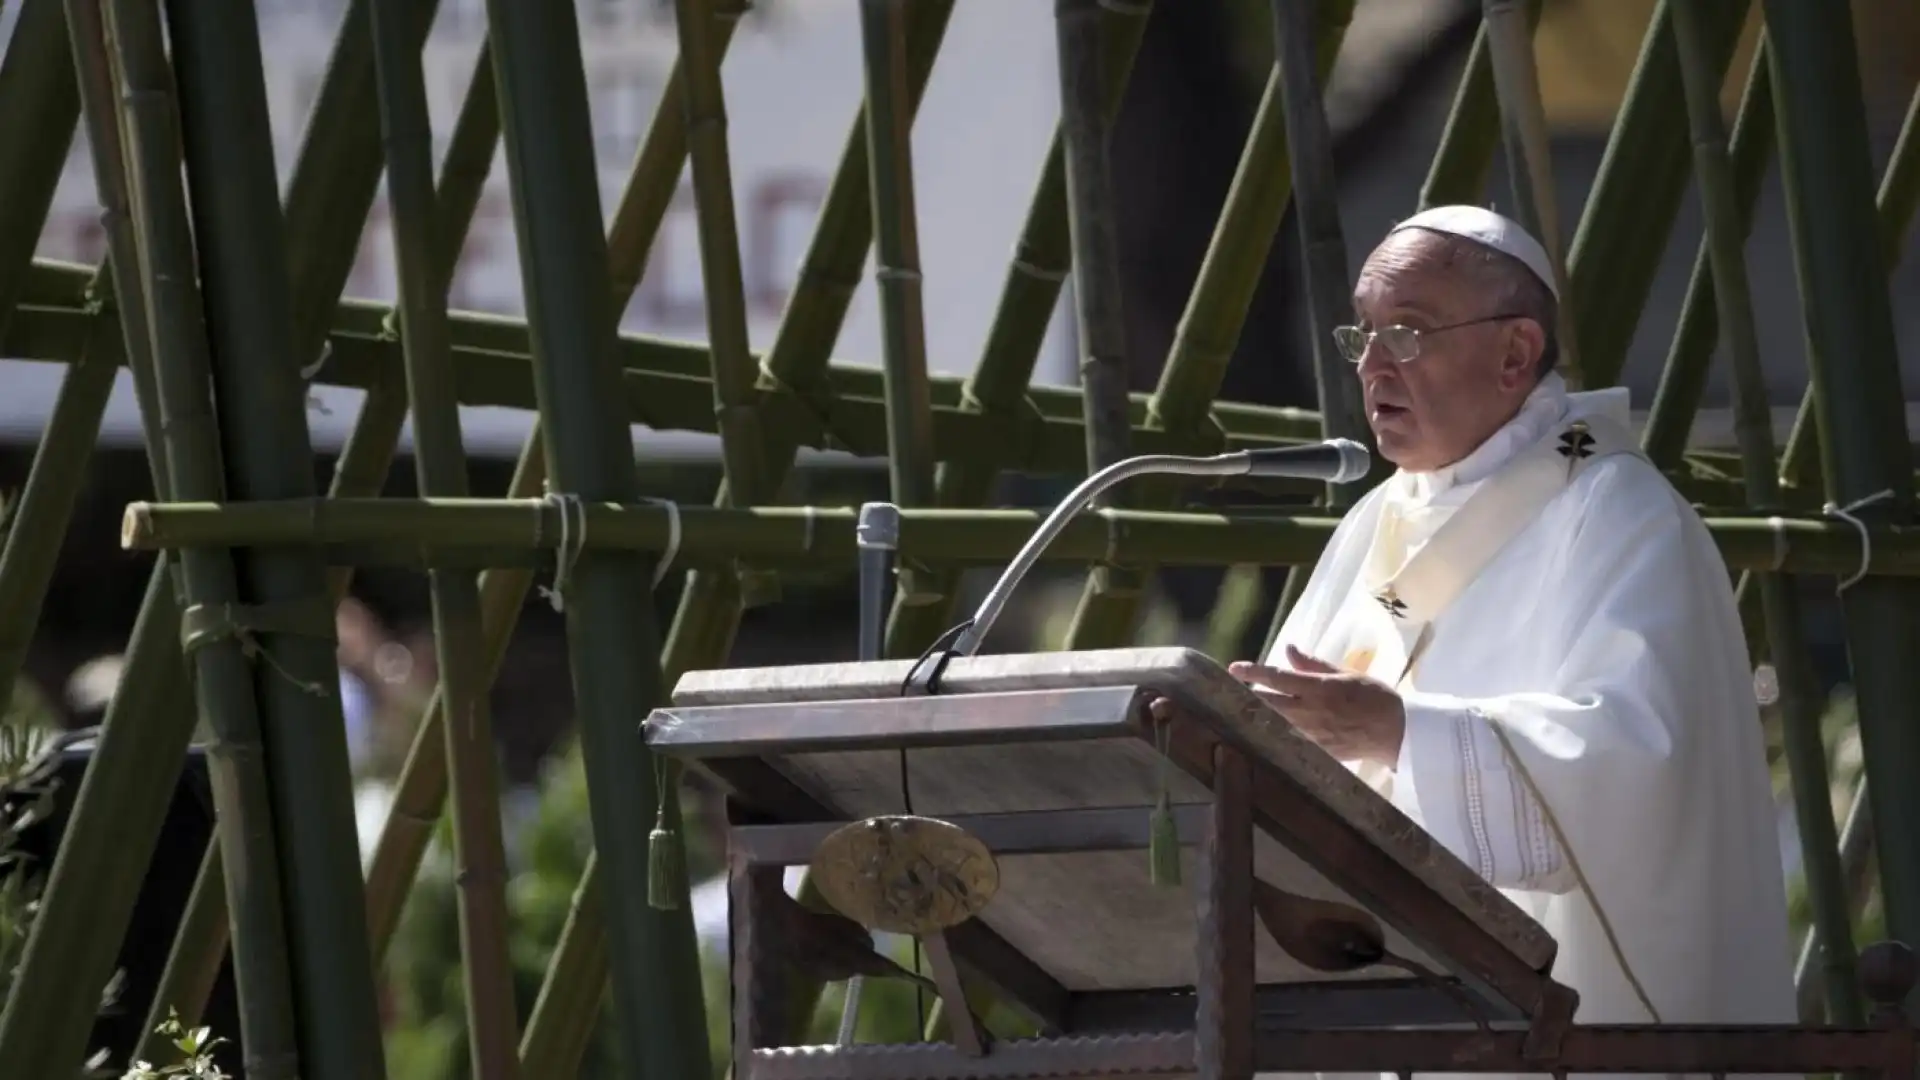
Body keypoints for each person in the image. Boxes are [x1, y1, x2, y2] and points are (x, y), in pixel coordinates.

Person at [1220, 205, 1796, 1037]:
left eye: (1409, 334)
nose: (1375, 365)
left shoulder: (1618, 510)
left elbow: (1637, 758)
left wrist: (1402, 733)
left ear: (1516, 353)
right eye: (1364, 336)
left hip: (1566, 1023)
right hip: (1385, 1008)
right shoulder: (1375, 520)